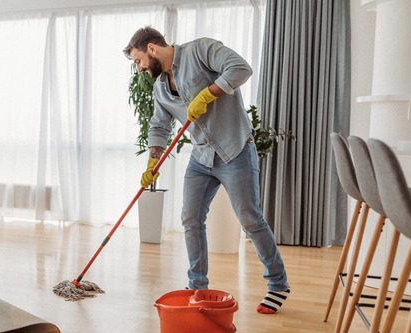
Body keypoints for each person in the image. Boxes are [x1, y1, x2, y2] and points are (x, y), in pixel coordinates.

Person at [123, 26, 290, 314]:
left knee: (250, 219)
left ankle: (277, 283)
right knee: (191, 218)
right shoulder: (161, 86)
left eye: (138, 61)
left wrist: (208, 94)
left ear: (151, 49)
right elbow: (159, 126)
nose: (138, 69)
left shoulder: (200, 51)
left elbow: (241, 68)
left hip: (235, 148)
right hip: (201, 157)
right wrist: (153, 160)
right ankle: (197, 285)